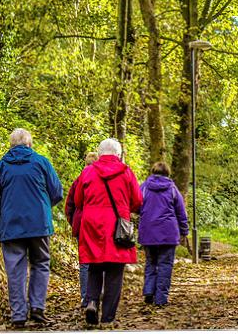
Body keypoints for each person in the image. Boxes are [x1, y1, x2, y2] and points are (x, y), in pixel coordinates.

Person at [0, 128, 63, 328]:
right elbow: (57, 191)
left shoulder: (1, 166)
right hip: (39, 225)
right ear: (30, 144)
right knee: (41, 263)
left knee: (15, 269)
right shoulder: (42, 162)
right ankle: (37, 308)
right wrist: (42, 207)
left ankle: (18, 314)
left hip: (11, 226)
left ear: (11, 145)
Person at [75, 138, 142, 324]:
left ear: (99, 152)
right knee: (114, 271)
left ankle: (92, 301)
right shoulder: (126, 172)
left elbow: (78, 200)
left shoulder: (87, 172)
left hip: (92, 224)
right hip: (116, 226)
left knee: (94, 266)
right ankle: (107, 317)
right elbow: (137, 200)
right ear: (118, 154)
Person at [138, 161, 189, 306]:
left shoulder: (144, 187)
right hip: (168, 233)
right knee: (165, 265)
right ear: (167, 173)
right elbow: (181, 212)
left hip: (148, 232)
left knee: (151, 263)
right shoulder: (172, 188)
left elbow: (136, 204)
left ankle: (148, 292)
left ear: (153, 172)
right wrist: (184, 230)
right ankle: (161, 299)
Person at [65, 151, 99, 309]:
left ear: (85, 164)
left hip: (81, 224)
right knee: (99, 261)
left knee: (85, 263)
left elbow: (70, 204)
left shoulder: (79, 180)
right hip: (98, 224)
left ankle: (85, 298)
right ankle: (96, 297)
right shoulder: (101, 179)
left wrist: (73, 222)